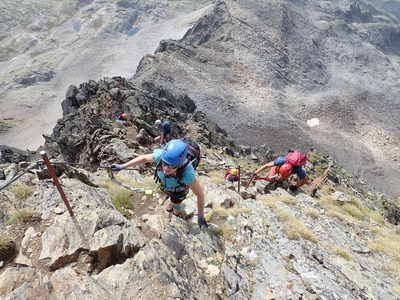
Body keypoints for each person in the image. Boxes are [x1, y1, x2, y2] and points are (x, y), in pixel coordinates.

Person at [110, 139, 208, 228]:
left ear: (180, 164)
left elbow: (200, 195)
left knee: (175, 204)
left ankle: (176, 213)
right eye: (164, 164)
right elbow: (144, 158)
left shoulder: (187, 173)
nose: (166, 169)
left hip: (179, 190)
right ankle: (171, 201)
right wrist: (122, 166)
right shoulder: (162, 156)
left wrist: (200, 216)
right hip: (165, 184)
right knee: (167, 193)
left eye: (171, 166)